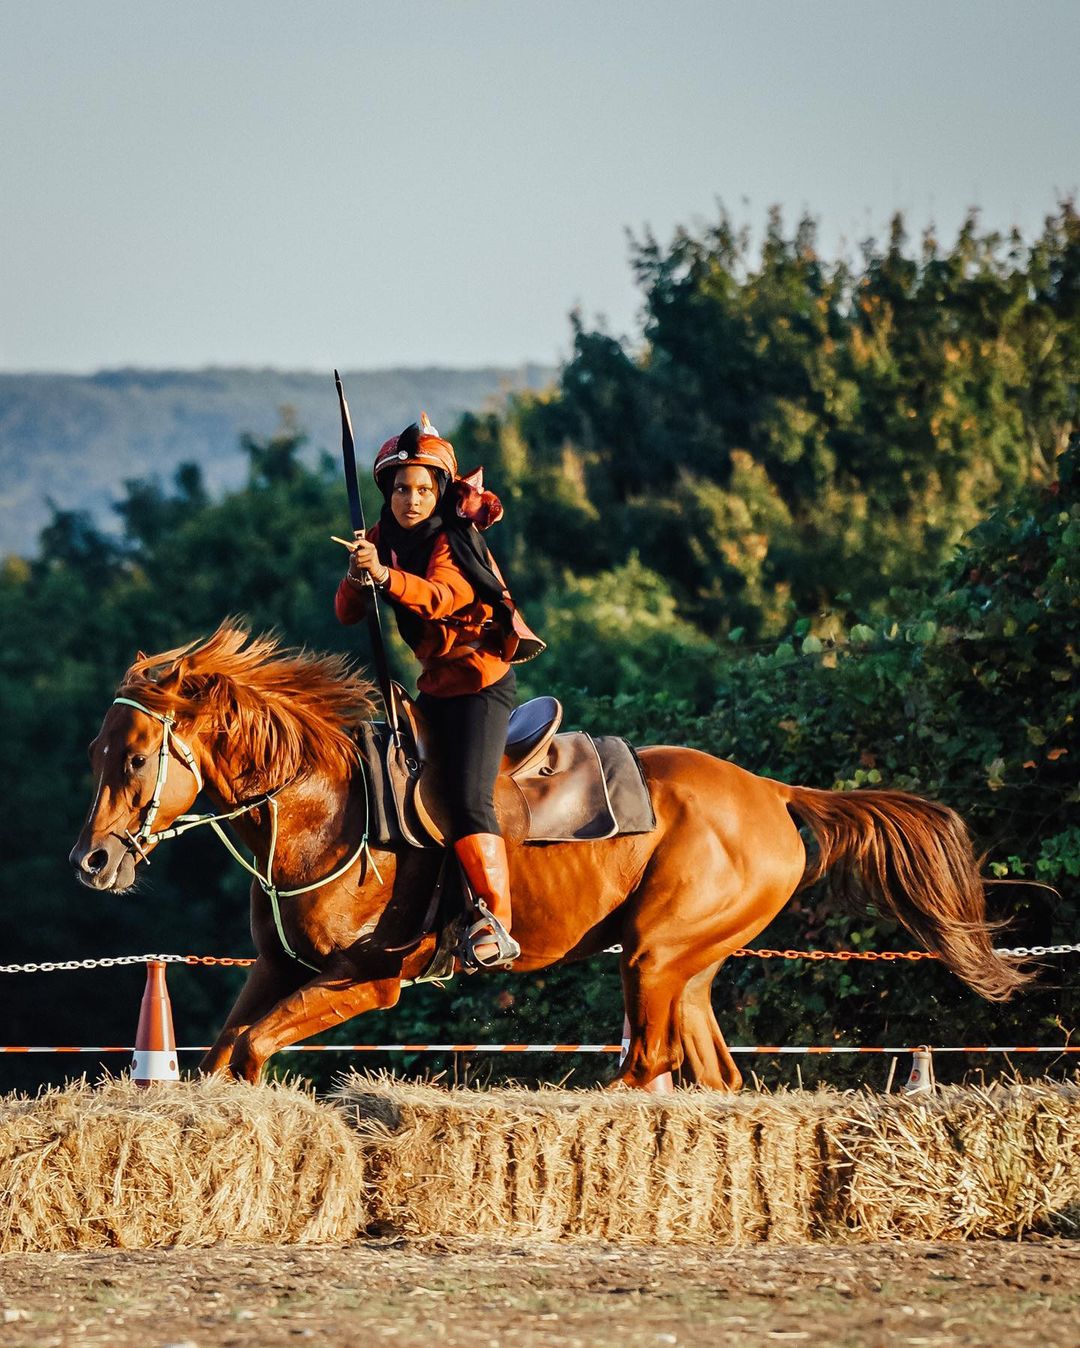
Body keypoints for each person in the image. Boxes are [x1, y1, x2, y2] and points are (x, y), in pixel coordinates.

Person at [334, 414, 544, 968]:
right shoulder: (378, 539)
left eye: (424, 489)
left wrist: (384, 576)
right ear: (388, 491)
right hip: (434, 688)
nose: (412, 499)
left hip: (480, 687)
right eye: (402, 488)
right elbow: (346, 612)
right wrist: (359, 575)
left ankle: (498, 919)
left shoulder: (454, 540)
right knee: (398, 782)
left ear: (440, 492)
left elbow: (440, 597)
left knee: (466, 797)